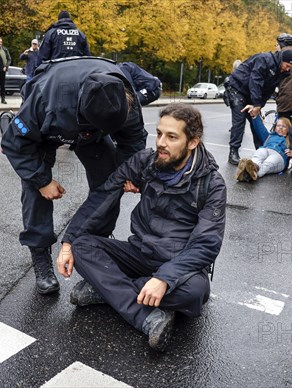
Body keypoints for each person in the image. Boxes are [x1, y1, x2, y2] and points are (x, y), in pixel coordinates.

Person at [55, 103, 226, 352]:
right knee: (83, 247)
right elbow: (104, 193)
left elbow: (207, 244)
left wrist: (164, 278)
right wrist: (68, 241)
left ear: (192, 142)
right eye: (159, 133)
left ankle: (106, 291)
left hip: (178, 263)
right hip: (139, 252)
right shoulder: (147, 160)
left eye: (171, 137)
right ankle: (147, 315)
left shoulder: (212, 184)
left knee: (195, 293)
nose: (161, 143)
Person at [0, 56, 148, 296]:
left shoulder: (125, 98)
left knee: (111, 182)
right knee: (34, 189)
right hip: (48, 126)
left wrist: (132, 174)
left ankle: (96, 248)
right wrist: (43, 181)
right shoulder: (45, 98)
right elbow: (16, 144)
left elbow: (132, 142)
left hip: (93, 132)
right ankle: (40, 255)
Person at [224, 49, 292, 165]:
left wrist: (259, 106)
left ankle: (261, 150)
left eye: (290, 67)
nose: (288, 69)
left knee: (256, 122)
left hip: (251, 94)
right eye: (287, 66)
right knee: (239, 121)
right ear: (282, 60)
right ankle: (233, 153)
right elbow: (255, 80)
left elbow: (268, 90)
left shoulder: (282, 72)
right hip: (237, 89)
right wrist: (256, 104)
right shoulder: (265, 60)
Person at [234, 116, 292, 182]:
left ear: (288, 129)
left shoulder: (291, 140)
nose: (281, 127)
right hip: (266, 149)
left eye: (284, 126)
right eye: (278, 125)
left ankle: (247, 174)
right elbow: (260, 128)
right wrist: (255, 116)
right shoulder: (269, 136)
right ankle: (251, 168)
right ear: (275, 127)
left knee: (268, 163)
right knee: (258, 154)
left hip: (279, 155)